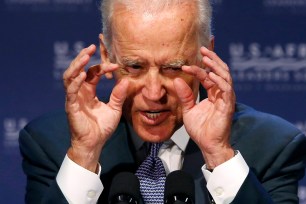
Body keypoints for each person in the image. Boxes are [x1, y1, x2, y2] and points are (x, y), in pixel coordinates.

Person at [19, 0, 306, 203]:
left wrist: (220, 155)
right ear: (107, 56)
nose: (154, 93)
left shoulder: (271, 145)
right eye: (134, 67)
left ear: (205, 56)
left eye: (173, 68)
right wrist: (83, 155)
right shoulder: (52, 144)